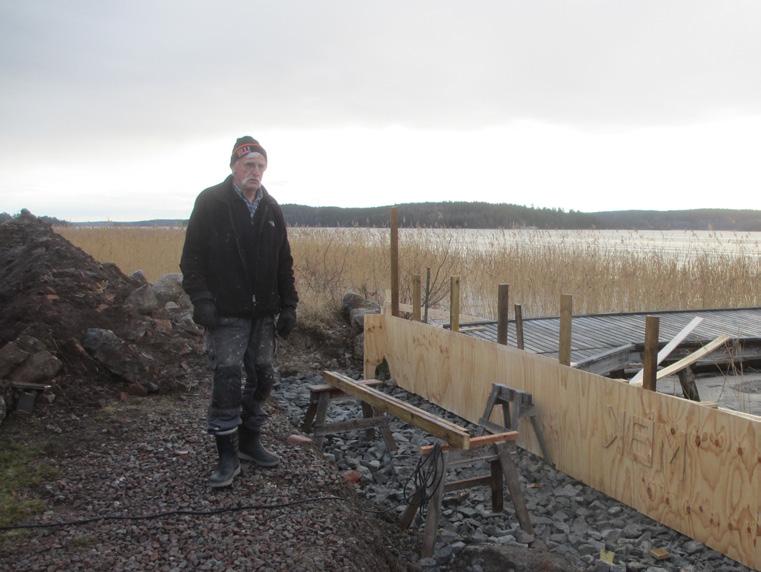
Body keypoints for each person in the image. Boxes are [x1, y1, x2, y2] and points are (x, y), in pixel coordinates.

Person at [180, 136, 298, 488]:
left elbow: (284, 263)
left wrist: (289, 306)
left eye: (261, 166)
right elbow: (192, 258)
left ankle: (248, 440)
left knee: (263, 377)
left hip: (263, 315)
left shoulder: (272, 208)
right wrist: (201, 299)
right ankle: (225, 454)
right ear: (234, 166)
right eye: (249, 165)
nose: (255, 172)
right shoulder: (211, 202)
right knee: (228, 379)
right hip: (226, 313)